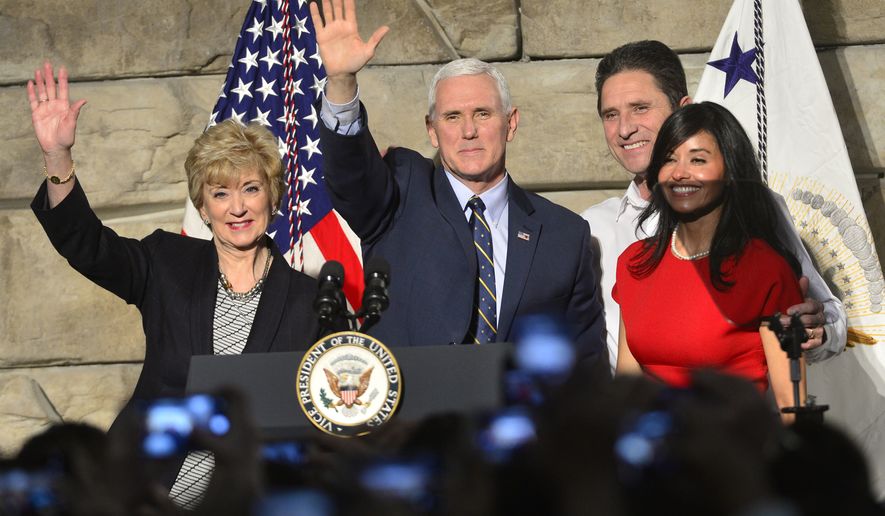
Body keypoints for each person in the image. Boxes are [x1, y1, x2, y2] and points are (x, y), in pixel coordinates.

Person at [27, 62, 320, 505]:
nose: (237, 207)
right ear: (203, 207)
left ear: (273, 197)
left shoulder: (307, 300)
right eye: (220, 193)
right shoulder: (167, 263)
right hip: (142, 488)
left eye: (251, 189)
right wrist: (57, 158)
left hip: (242, 498)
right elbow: (89, 247)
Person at [308, 0, 605, 370]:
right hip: (416, 419)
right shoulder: (402, 191)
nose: (468, 131)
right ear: (431, 130)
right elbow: (352, 178)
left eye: (482, 113)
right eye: (452, 117)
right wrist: (341, 83)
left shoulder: (565, 234)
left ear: (510, 123)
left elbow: (585, 362)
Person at [581, 41, 846, 373]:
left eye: (640, 108)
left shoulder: (754, 206)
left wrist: (818, 329)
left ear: (683, 110)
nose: (624, 128)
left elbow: (830, 317)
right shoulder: (590, 229)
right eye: (611, 114)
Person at [613, 102, 805, 419]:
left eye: (698, 160)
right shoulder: (634, 263)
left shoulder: (766, 269)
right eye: (669, 159)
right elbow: (626, 387)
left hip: (731, 457)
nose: (679, 173)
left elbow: (791, 405)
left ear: (730, 171)